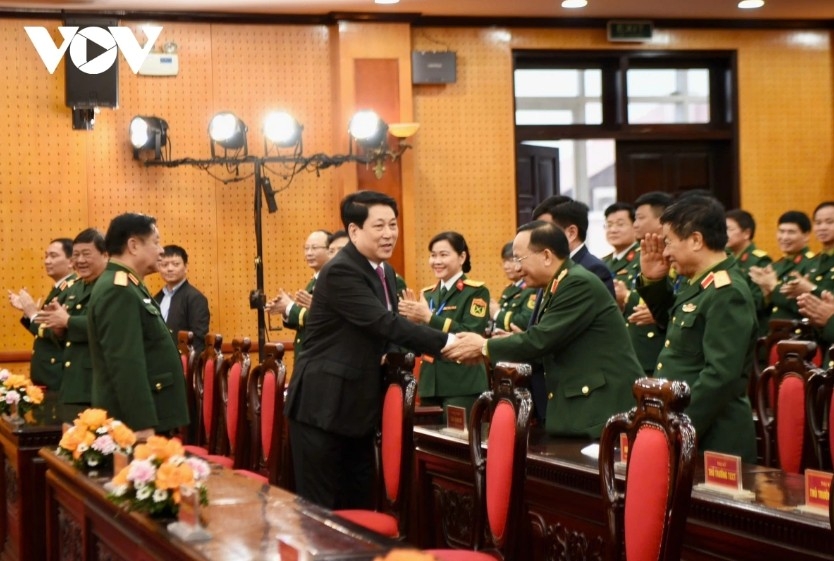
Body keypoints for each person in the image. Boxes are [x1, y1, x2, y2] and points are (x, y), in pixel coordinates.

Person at [285, 190, 456, 510]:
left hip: (359, 409)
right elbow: (383, 322)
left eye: (393, 224)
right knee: (323, 513)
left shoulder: (384, 271)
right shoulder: (342, 270)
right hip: (323, 407)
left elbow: (384, 332)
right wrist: (450, 343)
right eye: (379, 226)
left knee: (359, 506)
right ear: (354, 230)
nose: (389, 233)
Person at [444, 221, 642, 438]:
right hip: (579, 410)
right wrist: (499, 346)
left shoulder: (577, 283)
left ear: (546, 256)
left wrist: (485, 346)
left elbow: (541, 339)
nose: (517, 268)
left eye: (519, 259)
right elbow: (548, 340)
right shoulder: (557, 284)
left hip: (600, 410)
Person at [637, 195, 757, 463]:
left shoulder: (727, 292)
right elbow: (673, 328)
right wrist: (654, 282)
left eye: (669, 242)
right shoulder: (700, 284)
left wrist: (678, 427)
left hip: (712, 437)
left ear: (695, 240)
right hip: (686, 429)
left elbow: (720, 376)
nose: (665, 252)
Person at [87, 213, 189, 439]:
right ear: (133, 245)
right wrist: (142, 423)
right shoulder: (118, 289)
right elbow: (125, 362)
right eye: (156, 242)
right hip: (134, 423)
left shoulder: (129, 284)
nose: (161, 250)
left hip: (147, 414)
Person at [399, 231, 490, 418]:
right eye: (433, 255)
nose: (436, 261)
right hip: (429, 384)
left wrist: (429, 318)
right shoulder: (428, 294)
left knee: (458, 436)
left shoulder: (476, 292)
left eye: (443, 255)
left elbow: (471, 332)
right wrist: (412, 324)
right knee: (428, 436)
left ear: (462, 257)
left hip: (462, 384)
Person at [37, 229, 109, 422]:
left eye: (86, 254)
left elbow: (108, 325)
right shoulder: (76, 286)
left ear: (105, 255)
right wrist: (58, 329)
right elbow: (67, 334)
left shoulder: (110, 285)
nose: (80, 260)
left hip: (94, 383)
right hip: (72, 381)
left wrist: (68, 321)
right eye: (76, 255)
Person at [8, 238, 74, 391]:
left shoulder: (71, 290)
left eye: (53, 256)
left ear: (71, 262)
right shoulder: (60, 289)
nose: (47, 261)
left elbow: (58, 333)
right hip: (48, 374)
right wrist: (28, 313)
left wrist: (33, 314)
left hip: (59, 375)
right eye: (46, 256)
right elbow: (44, 331)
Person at [266, 229, 331, 357]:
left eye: (314, 248)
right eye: (306, 248)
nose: (309, 253)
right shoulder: (315, 281)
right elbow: (303, 322)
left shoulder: (331, 280)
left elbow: (324, 318)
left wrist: (290, 307)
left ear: (330, 250)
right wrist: (285, 310)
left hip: (320, 355)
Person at [749, 210, 814, 323]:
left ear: (806, 235)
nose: (784, 237)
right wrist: (766, 293)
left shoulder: (812, 263)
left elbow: (805, 305)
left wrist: (773, 287)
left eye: (791, 232)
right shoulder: (776, 265)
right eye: (781, 231)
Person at [154, 245, 210, 355]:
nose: (170, 269)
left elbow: (198, 341)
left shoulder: (195, 298)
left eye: (175, 264)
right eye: (164, 265)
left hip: (182, 361)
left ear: (185, 267)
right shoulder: (156, 298)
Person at [726, 209, 772, 337]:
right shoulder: (726, 258)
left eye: (729, 229)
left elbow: (758, 300)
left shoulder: (759, 260)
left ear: (746, 233)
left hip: (751, 329)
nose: (724, 234)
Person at [490, 242, 536, 332]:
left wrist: (497, 313)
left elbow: (526, 321)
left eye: (511, 261)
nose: (506, 266)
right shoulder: (508, 290)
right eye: (504, 261)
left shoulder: (532, 289)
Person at [601, 201, 638, 277]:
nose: (613, 230)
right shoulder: (602, 262)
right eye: (609, 225)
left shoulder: (643, 258)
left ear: (635, 226)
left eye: (620, 224)